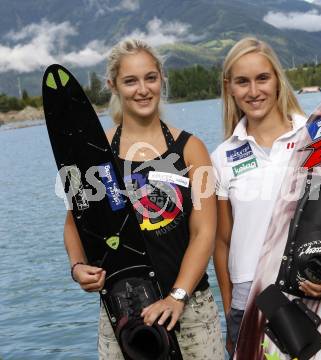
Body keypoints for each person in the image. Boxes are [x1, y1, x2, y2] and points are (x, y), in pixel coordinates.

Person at [211, 37, 321, 359]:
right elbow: (222, 242)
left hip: (316, 292)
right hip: (250, 302)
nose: (254, 91)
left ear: (278, 80)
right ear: (230, 88)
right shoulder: (223, 156)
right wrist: (231, 314)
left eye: (262, 78)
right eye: (242, 82)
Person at [63, 38, 224, 360]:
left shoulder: (191, 148)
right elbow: (74, 222)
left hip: (190, 310)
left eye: (150, 77)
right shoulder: (96, 153)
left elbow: (204, 232)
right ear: (113, 85)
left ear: (162, 78)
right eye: (130, 81)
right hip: (123, 312)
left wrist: (177, 296)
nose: (142, 89)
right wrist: (78, 266)